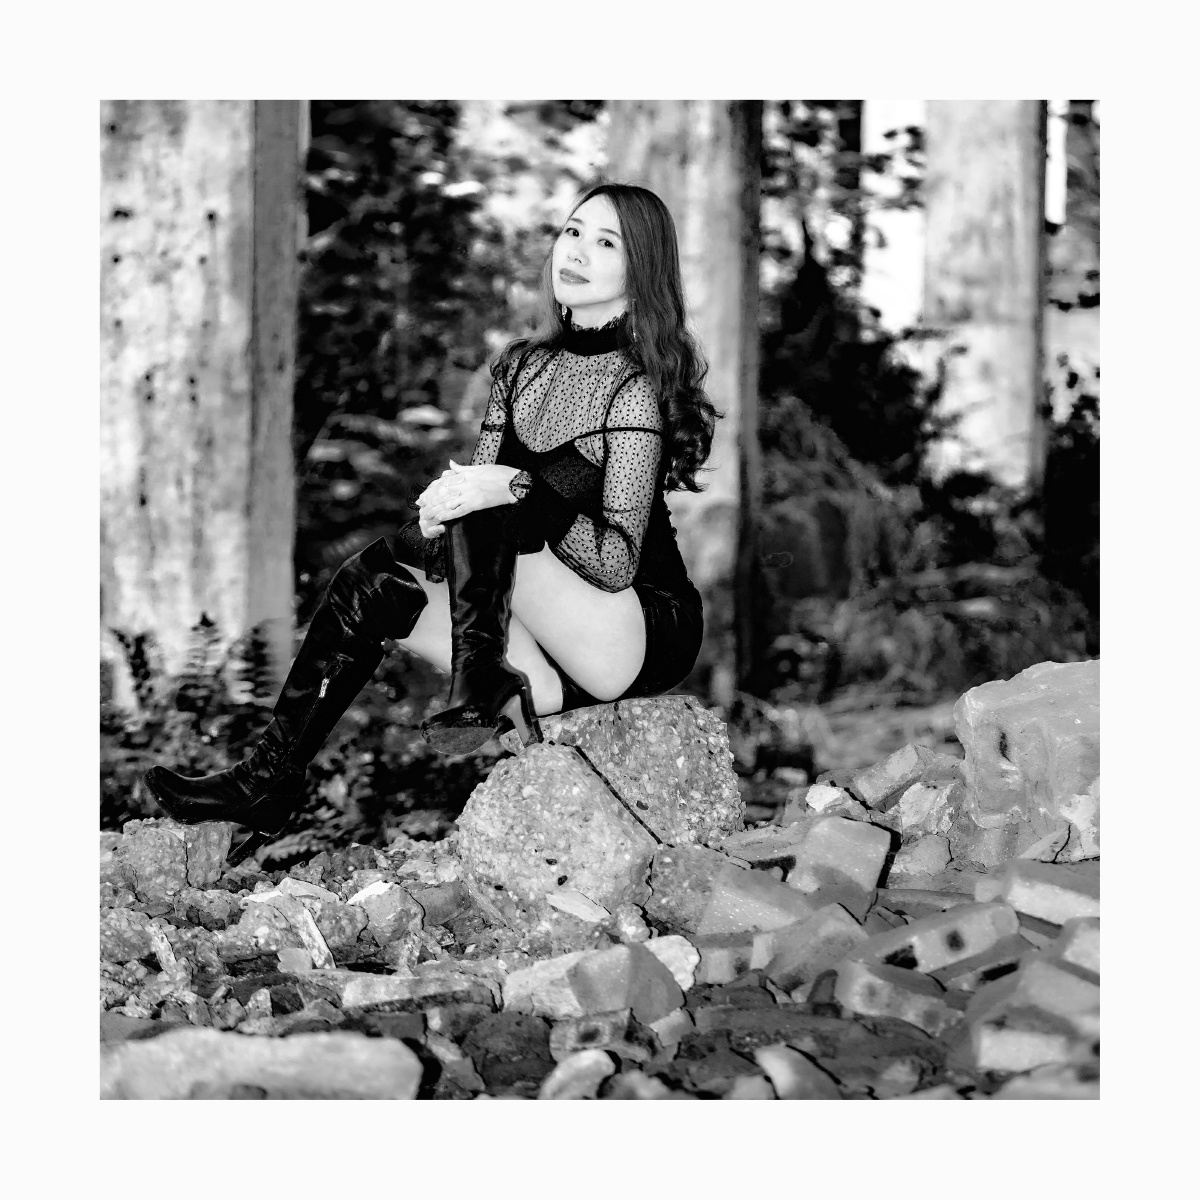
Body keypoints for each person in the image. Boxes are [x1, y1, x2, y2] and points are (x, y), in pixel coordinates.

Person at [144, 181, 718, 864]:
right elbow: (481, 512)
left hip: (636, 630)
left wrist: (511, 486)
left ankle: (480, 682)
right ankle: (268, 780)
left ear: (641, 268)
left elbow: (615, 560)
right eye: (572, 232)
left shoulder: (633, 390)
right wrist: (438, 518)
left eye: (606, 243)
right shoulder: (521, 367)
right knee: (374, 579)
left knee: (490, 501)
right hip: (538, 646)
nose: (578, 252)